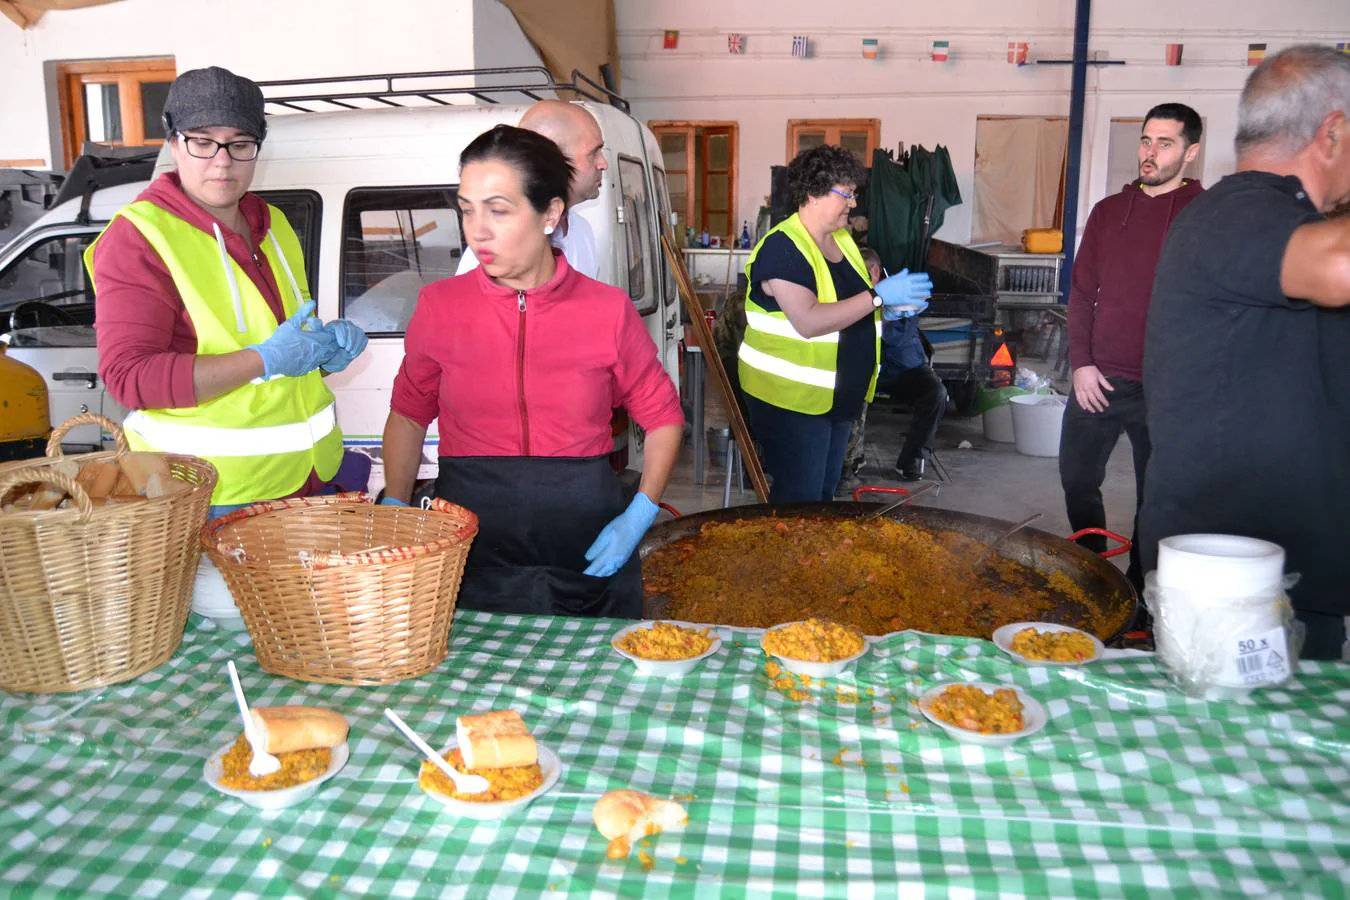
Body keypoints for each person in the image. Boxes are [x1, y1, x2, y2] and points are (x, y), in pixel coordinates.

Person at [381, 125, 683, 619]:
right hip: (472, 543)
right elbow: (409, 416)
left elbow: (663, 417)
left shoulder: (606, 309)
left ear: (551, 214)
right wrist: (395, 503)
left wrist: (640, 511)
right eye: (467, 209)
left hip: (585, 542)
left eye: (498, 210)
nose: (477, 230)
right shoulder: (440, 307)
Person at [1139, 45, 1350, 660]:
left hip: (1276, 569)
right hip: (1236, 578)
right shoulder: (1239, 212)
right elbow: (1338, 268)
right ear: (1332, 132)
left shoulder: (1287, 221)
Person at [87, 67, 368, 520]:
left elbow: (278, 336)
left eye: (240, 144)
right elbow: (130, 378)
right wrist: (267, 358)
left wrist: (321, 347)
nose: (222, 162)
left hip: (305, 482)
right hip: (207, 498)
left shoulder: (274, 225)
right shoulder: (138, 237)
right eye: (202, 141)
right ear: (173, 141)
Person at [1061, 103, 1204, 591]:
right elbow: (1080, 294)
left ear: (1191, 152)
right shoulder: (1107, 212)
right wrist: (1081, 364)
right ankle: (1091, 572)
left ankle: (1141, 589)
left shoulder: (1203, 216)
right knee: (1077, 481)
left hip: (1165, 388)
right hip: (1099, 377)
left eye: (1165, 143)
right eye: (1146, 140)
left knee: (1156, 495)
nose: (1150, 152)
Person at [738, 145, 933, 503]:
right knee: (801, 502)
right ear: (812, 193)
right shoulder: (782, 248)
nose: (853, 203)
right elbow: (808, 321)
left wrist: (889, 310)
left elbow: (849, 305)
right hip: (792, 401)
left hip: (838, 397)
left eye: (854, 193)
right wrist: (877, 297)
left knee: (824, 496)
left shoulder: (841, 239)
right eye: (846, 193)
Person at [456, 99, 606, 278]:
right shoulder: (494, 252)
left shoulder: (582, 230)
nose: (603, 163)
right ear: (552, 156)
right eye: (593, 153)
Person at [839, 247, 946, 487]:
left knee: (935, 393)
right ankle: (850, 460)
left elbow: (896, 338)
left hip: (901, 370)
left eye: (861, 273)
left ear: (875, 271)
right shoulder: (852, 294)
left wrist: (879, 310)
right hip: (863, 370)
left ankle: (913, 459)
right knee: (849, 394)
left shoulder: (900, 292)